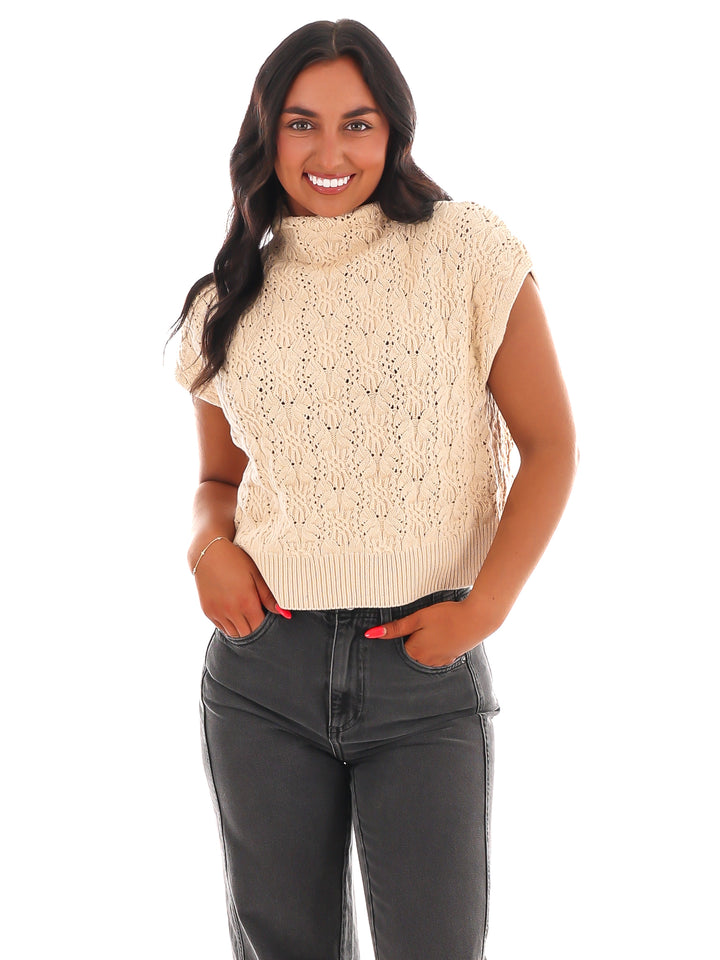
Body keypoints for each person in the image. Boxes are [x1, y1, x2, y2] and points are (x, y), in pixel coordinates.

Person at [172, 18, 577, 960]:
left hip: (422, 671)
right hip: (262, 671)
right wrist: (206, 548)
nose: (330, 152)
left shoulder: (466, 251)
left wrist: (484, 610)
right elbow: (217, 479)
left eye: (357, 123)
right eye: (302, 123)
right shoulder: (226, 298)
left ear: (394, 129)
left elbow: (551, 445)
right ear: (266, 134)